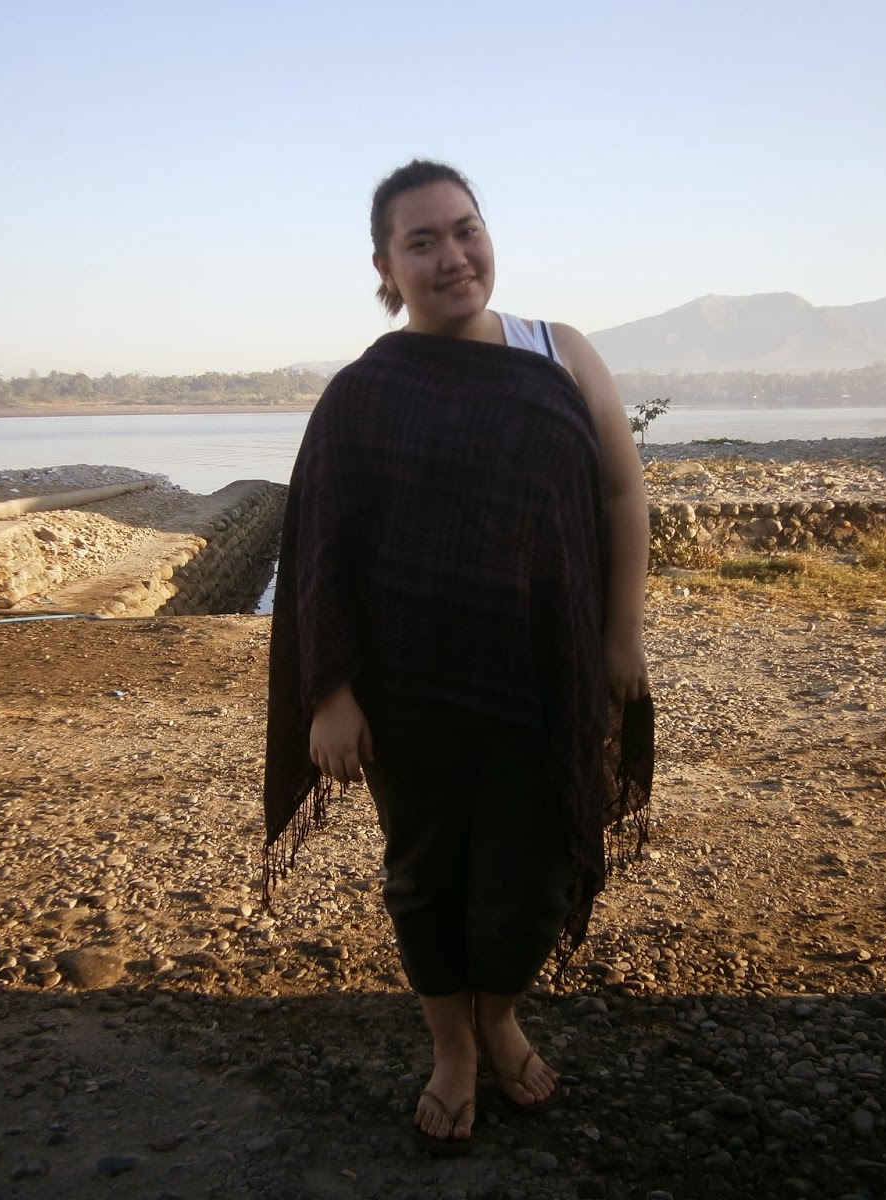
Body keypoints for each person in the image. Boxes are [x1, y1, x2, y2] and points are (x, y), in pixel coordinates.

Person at [262, 158, 653, 1154]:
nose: (452, 256)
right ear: (386, 269)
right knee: (427, 875)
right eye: (422, 241)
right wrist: (330, 694)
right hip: (407, 694)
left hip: (545, 676)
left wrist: (620, 637)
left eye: (465, 229)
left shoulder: (558, 352)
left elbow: (620, 495)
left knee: (532, 878)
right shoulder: (362, 393)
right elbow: (320, 548)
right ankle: (455, 1048)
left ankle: (498, 1012)